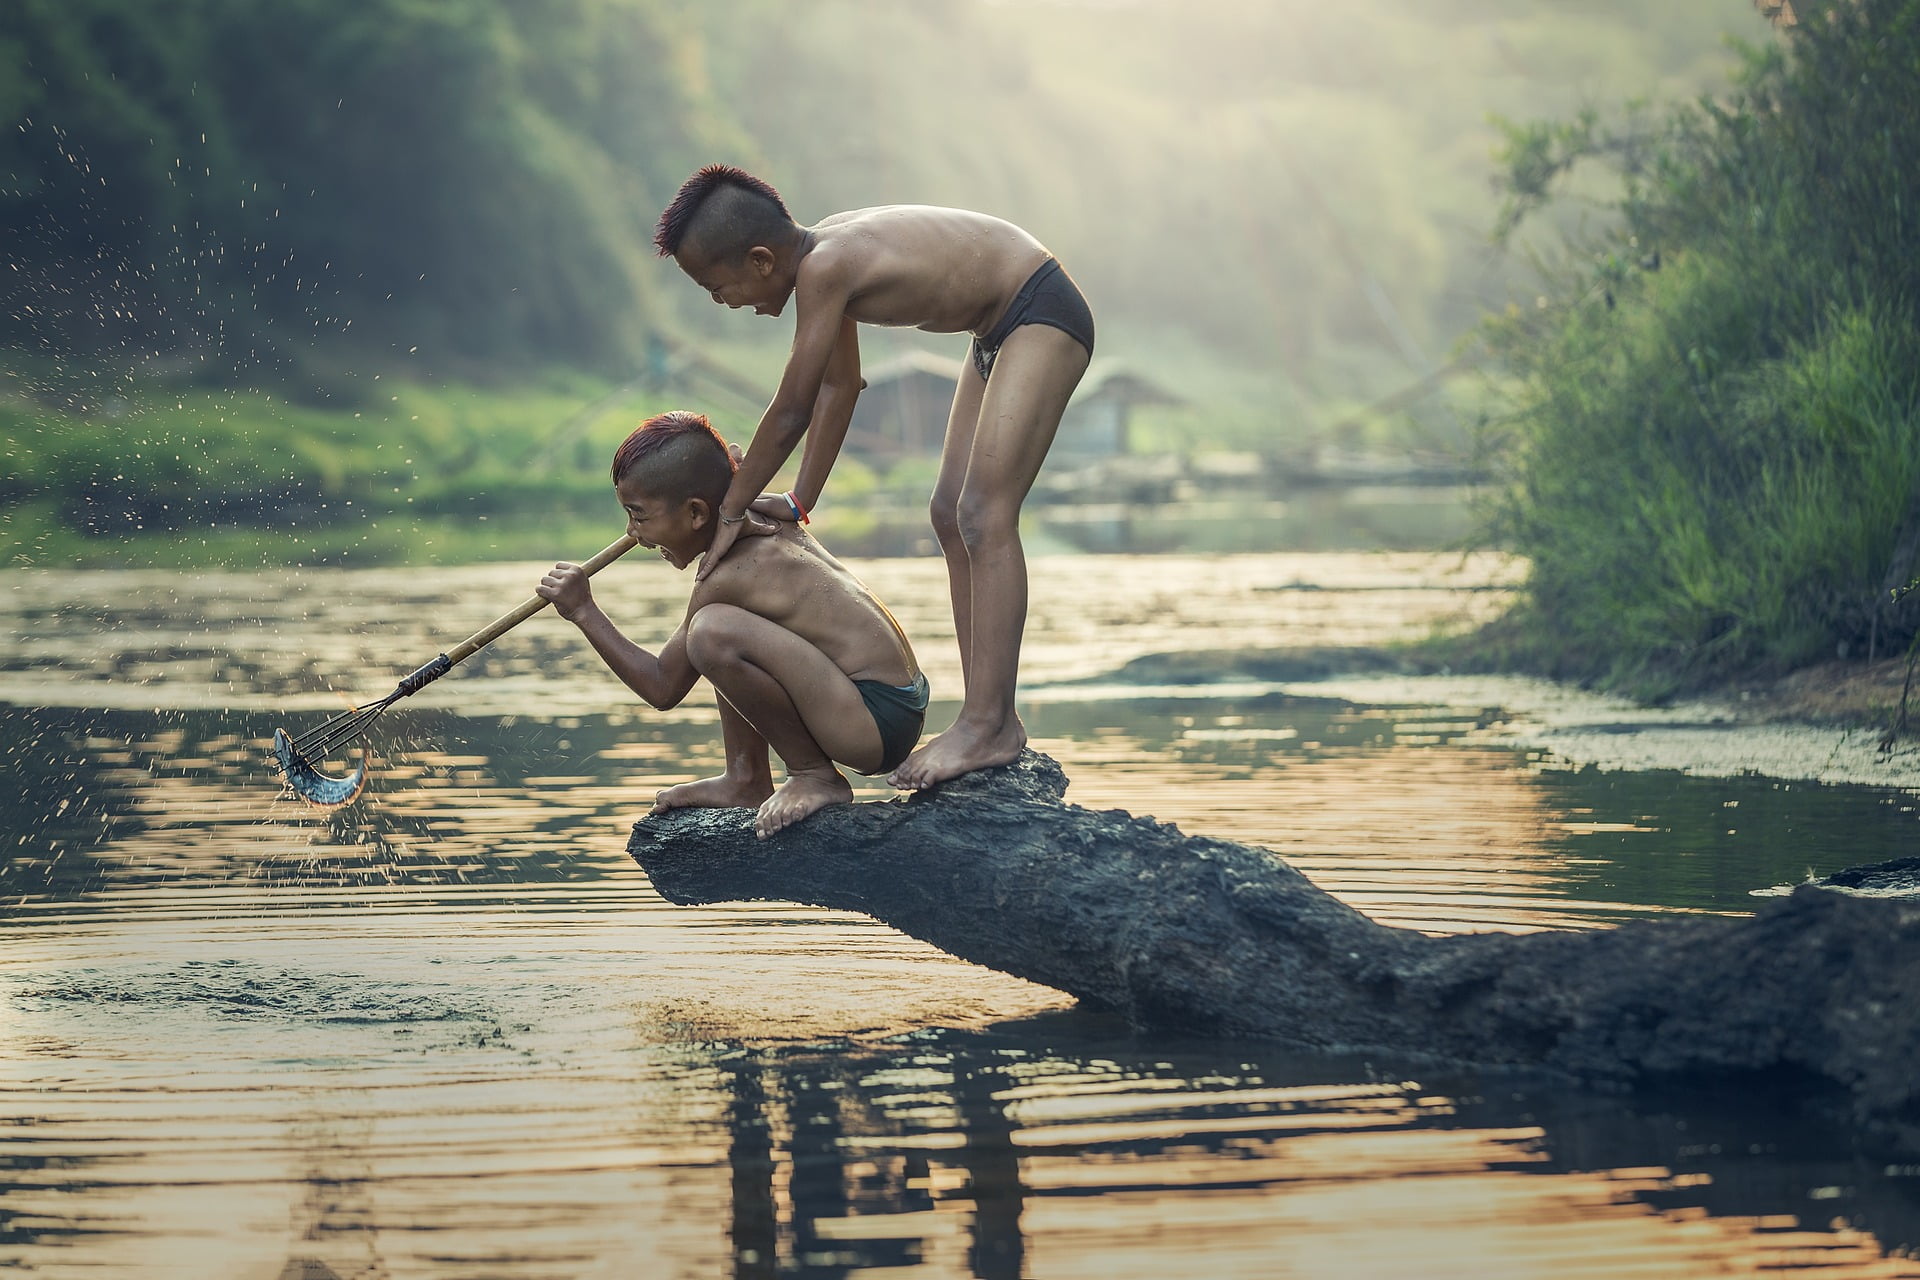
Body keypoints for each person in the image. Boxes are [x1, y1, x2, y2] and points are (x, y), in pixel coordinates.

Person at [652, 165, 1094, 789]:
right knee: (948, 514)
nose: (724, 303)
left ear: (759, 260)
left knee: (982, 514)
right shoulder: (822, 263)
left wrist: (730, 509)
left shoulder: (825, 266)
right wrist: (800, 500)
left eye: (716, 287)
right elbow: (839, 386)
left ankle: (990, 722)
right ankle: (982, 717)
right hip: (994, 331)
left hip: (1036, 311)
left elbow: (791, 410)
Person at [536, 410, 929, 838]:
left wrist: (583, 611)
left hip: (875, 720)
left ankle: (814, 775)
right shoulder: (759, 511)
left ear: (697, 513)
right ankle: (745, 777)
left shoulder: (725, 577)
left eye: (639, 515)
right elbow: (728, 471)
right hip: (893, 704)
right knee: (724, 632)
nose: (633, 534)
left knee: (711, 634)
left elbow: (662, 687)